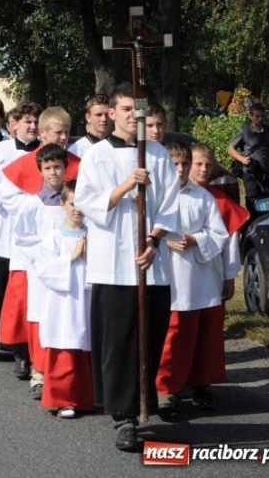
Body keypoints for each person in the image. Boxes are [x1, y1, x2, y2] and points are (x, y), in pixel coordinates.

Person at [74, 83, 180, 453]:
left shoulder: (159, 153)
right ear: (113, 113)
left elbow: (170, 204)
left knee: (150, 335)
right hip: (112, 264)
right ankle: (123, 417)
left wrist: (153, 241)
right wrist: (124, 186)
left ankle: (146, 403)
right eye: (124, 110)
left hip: (151, 261)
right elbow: (87, 202)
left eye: (137, 110)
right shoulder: (97, 155)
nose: (132, 117)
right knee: (119, 343)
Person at [0, 107, 78, 384]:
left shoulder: (76, 163)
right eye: (59, 132)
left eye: (68, 132)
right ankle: (26, 356)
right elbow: (9, 201)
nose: (64, 137)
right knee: (28, 308)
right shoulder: (23, 165)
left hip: (71, 252)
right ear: (43, 133)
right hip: (33, 250)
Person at [155, 142, 234, 418]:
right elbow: (139, 229)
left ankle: (201, 385)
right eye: (175, 164)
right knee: (173, 337)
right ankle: (166, 389)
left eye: (185, 164)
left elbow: (219, 234)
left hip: (200, 277)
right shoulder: (154, 196)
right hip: (168, 277)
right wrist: (164, 240)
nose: (181, 169)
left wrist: (195, 240)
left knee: (202, 336)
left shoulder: (203, 197)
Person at [0, 101, 42, 361]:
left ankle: (24, 346)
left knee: (25, 293)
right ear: (14, 124)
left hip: (34, 232)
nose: (33, 126)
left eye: (36, 122)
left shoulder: (47, 152)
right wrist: (26, 201)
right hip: (2, 230)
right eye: (28, 121)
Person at [32, 180, 95, 418]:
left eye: (82, 204)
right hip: (62, 305)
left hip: (87, 301)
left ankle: (87, 398)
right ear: (62, 205)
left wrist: (90, 256)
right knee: (65, 349)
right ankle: (63, 399)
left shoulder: (95, 235)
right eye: (72, 203)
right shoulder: (54, 238)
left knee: (86, 349)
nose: (77, 209)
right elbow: (44, 270)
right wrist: (71, 257)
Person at [228, 102, 269, 216]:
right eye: (257, 116)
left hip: (267, 172)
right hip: (250, 172)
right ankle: (252, 227)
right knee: (252, 201)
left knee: (268, 201)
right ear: (251, 116)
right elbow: (230, 149)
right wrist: (242, 159)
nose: (260, 119)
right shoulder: (244, 132)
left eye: (262, 116)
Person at [68, 94, 111, 158]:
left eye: (107, 114)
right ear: (88, 117)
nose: (104, 119)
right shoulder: (76, 151)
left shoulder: (119, 147)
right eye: (99, 115)